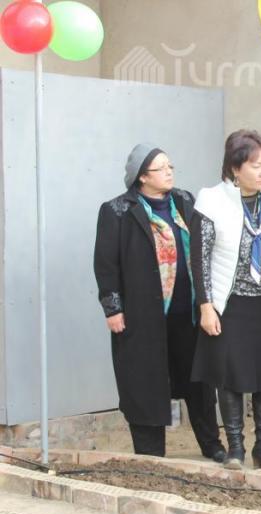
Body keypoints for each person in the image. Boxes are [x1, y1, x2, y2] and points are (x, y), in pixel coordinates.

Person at [94, 144, 225, 460]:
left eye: (170, 166)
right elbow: (105, 264)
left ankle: (213, 445)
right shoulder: (117, 211)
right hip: (143, 316)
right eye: (160, 168)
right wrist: (113, 308)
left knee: (199, 382)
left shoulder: (184, 201)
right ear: (142, 176)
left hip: (188, 314)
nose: (168, 172)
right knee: (145, 384)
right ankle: (151, 454)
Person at [190, 130, 261, 471]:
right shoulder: (211, 201)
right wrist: (205, 305)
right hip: (230, 302)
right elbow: (199, 258)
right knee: (231, 374)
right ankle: (235, 447)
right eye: (255, 165)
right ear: (235, 168)